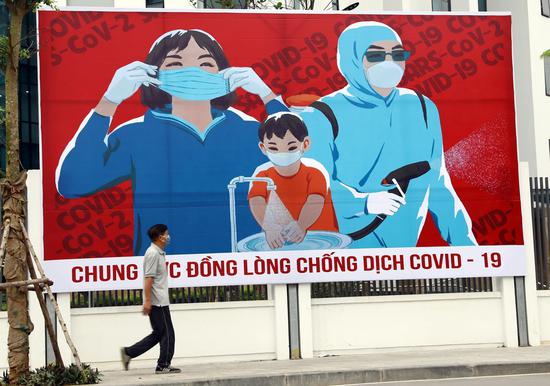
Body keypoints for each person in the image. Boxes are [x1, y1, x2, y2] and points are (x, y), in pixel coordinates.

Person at [56, 29, 287, 256]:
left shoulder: (249, 132)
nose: (192, 72)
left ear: (224, 73)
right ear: (153, 75)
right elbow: (73, 182)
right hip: (165, 267)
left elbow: (308, 161)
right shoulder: (134, 136)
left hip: (245, 266)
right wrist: (110, 100)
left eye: (205, 63)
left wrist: (266, 94)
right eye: (175, 64)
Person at [299, 21, 477, 248]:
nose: (389, 63)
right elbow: (315, 185)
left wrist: (467, 246)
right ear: (352, 59)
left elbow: (438, 182)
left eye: (397, 54)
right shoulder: (321, 114)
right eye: (375, 56)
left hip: (404, 253)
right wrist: (364, 203)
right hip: (347, 251)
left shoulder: (421, 107)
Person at [248, 112, 338, 249]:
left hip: (323, 243)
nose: (282, 153)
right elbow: (256, 200)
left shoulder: (314, 173)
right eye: (273, 148)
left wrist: (301, 225)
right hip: (283, 244)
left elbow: (315, 200)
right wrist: (269, 227)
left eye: (291, 147)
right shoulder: (263, 176)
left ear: (305, 144)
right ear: (263, 148)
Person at [120, 224, 180, 374]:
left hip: (160, 300)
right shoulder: (153, 253)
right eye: (167, 234)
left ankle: (129, 353)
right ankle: (162, 365)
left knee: (160, 333)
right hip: (157, 302)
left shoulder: (158, 252)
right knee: (167, 334)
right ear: (160, 237)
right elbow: (148, 279)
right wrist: (147, 301)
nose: (168, 237)